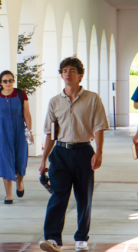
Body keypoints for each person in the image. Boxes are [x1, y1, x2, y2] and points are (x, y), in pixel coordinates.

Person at [38, 57, 109, 252]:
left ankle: (81, 239)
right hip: (60, 153)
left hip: (84, 152)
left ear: (80, 75)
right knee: (57, 196)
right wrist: (44, 159)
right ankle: (52, 238)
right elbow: (51, 134)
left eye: (71, 70)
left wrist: (99, 152)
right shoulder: (54, 102)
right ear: (61, 75)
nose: (67, 74)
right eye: (64, 70)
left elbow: (99, 127)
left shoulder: (93, 99)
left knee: (83, 197)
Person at [0, 70, 34, 204]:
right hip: (3, 131)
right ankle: (9, 195)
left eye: (10, 80)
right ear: (1, 83)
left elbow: (27, 114)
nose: (8, 83)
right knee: (5, 161)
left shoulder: (20, 94)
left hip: (20, 130)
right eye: (5, 81)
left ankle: (20, 182)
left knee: (21, 160)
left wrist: (29, 133)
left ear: (13, 81)